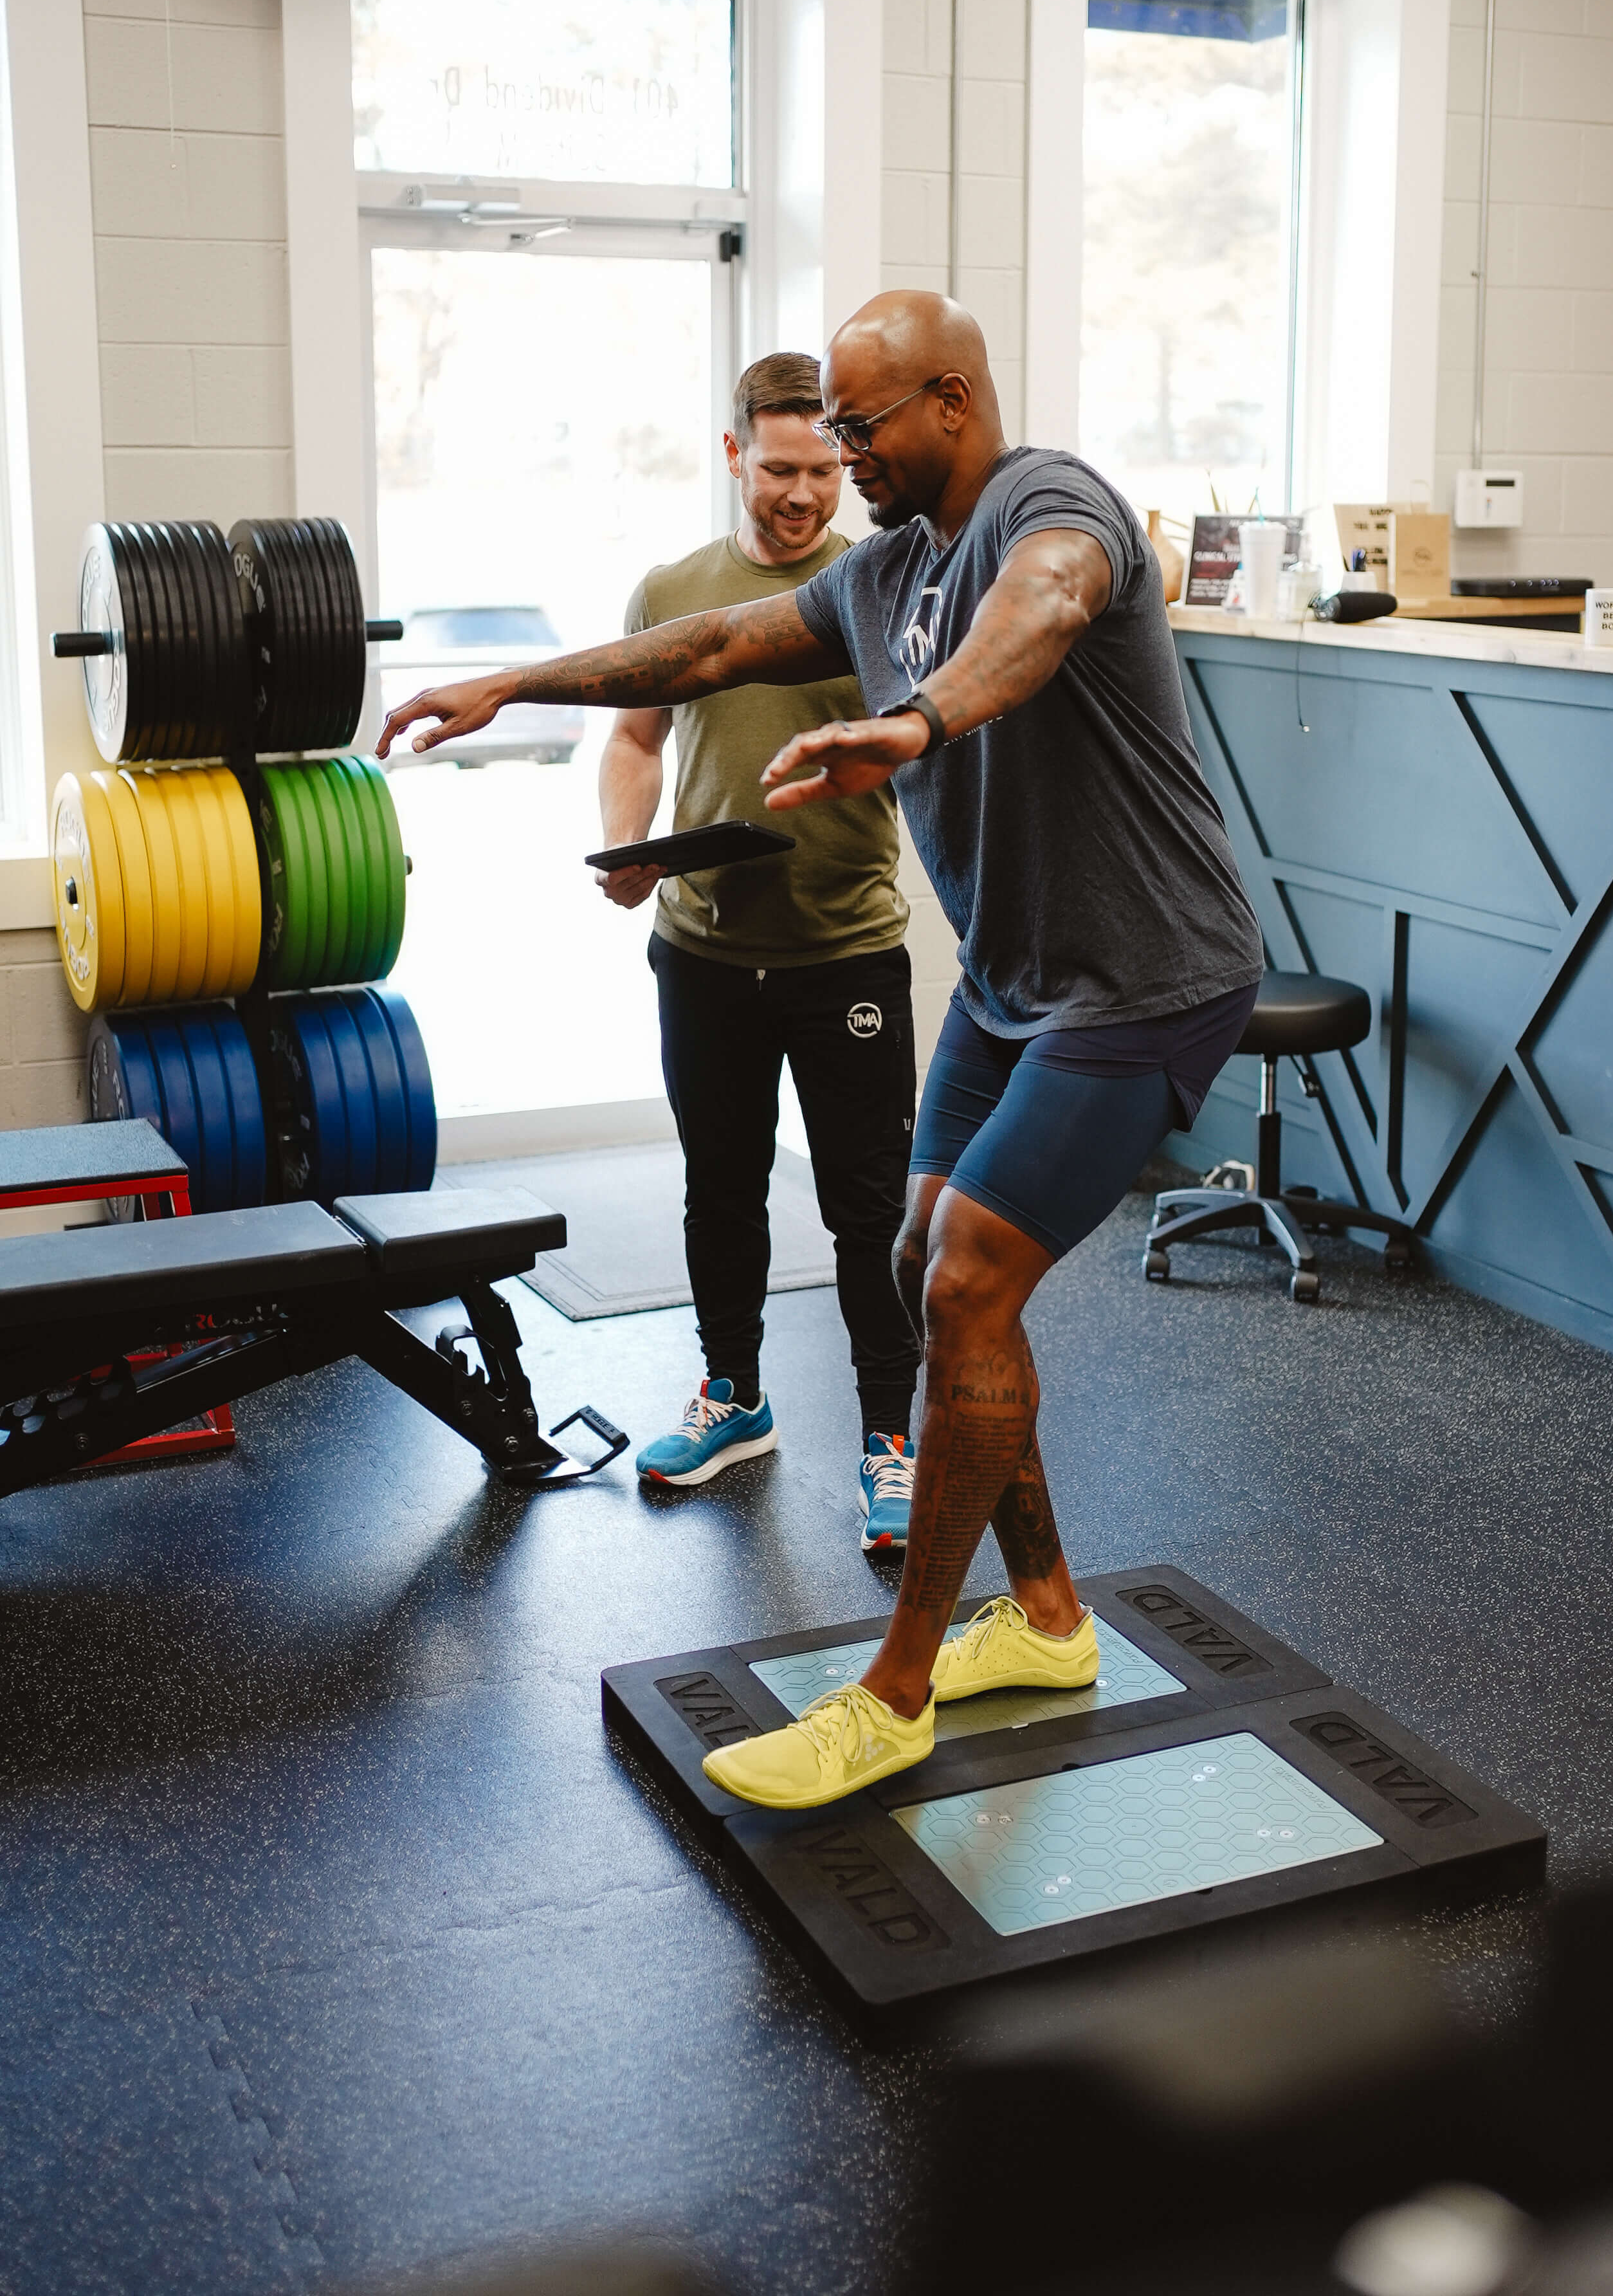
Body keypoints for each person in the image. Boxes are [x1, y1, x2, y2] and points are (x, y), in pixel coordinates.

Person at [378, 291, 1263, 1812]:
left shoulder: (1051, 505)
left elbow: (1044, 607)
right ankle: (1049, 1621)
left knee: (972, 1273)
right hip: (1011, 982)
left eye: (864, 426)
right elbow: (714, 640)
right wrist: (511, 681)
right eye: (830, 431)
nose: (843, 454)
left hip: (1146, 980)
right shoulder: (884, 574)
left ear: (952, 402)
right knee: (926, 1264)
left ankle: (897, 1691)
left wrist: (916, 727)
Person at [597, 352, 922, 1552]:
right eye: (781, 468)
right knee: (721, 1187)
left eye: (825, 471)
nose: (803, 494)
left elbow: (939, 739)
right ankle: (734, 1397)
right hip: (704, 954)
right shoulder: (673, 588)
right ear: (734, 453)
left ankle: (890, 1438)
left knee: (868, 1210)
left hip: (847, 952)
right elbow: (634, 739)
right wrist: (626, 846)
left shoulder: (881, 584)